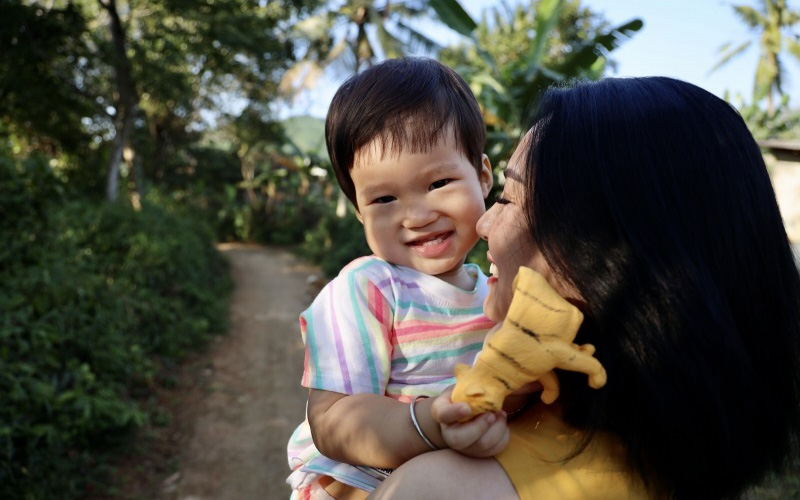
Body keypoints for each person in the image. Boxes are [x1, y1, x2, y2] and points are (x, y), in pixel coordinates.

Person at [369, 76, 800, 499]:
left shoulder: (443, 486)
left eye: (508, 199)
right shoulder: (673, 456)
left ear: (599, 251)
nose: (483, 224)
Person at [286, 57, 506, 499]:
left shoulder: (496, 291)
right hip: (359, 486)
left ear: (483, 176)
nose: (417, 216)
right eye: (385, 198)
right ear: (359, 212)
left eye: (438, 182)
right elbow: (333, 419)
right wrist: (429, 425)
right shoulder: (366, 290)